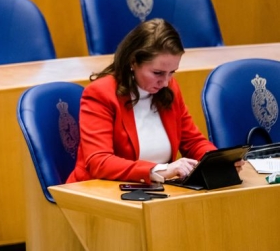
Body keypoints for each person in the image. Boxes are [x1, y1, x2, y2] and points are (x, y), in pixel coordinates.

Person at [67, 18, 244, 184]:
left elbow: (193, 142)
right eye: (158, 73)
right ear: (133, 62)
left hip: (153, 193)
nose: (166, 82)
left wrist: (218, 161)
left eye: (172, 72)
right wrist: (159, 170)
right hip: (97, 194)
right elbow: (99, 162)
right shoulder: (101, 94)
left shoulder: (168, 89)